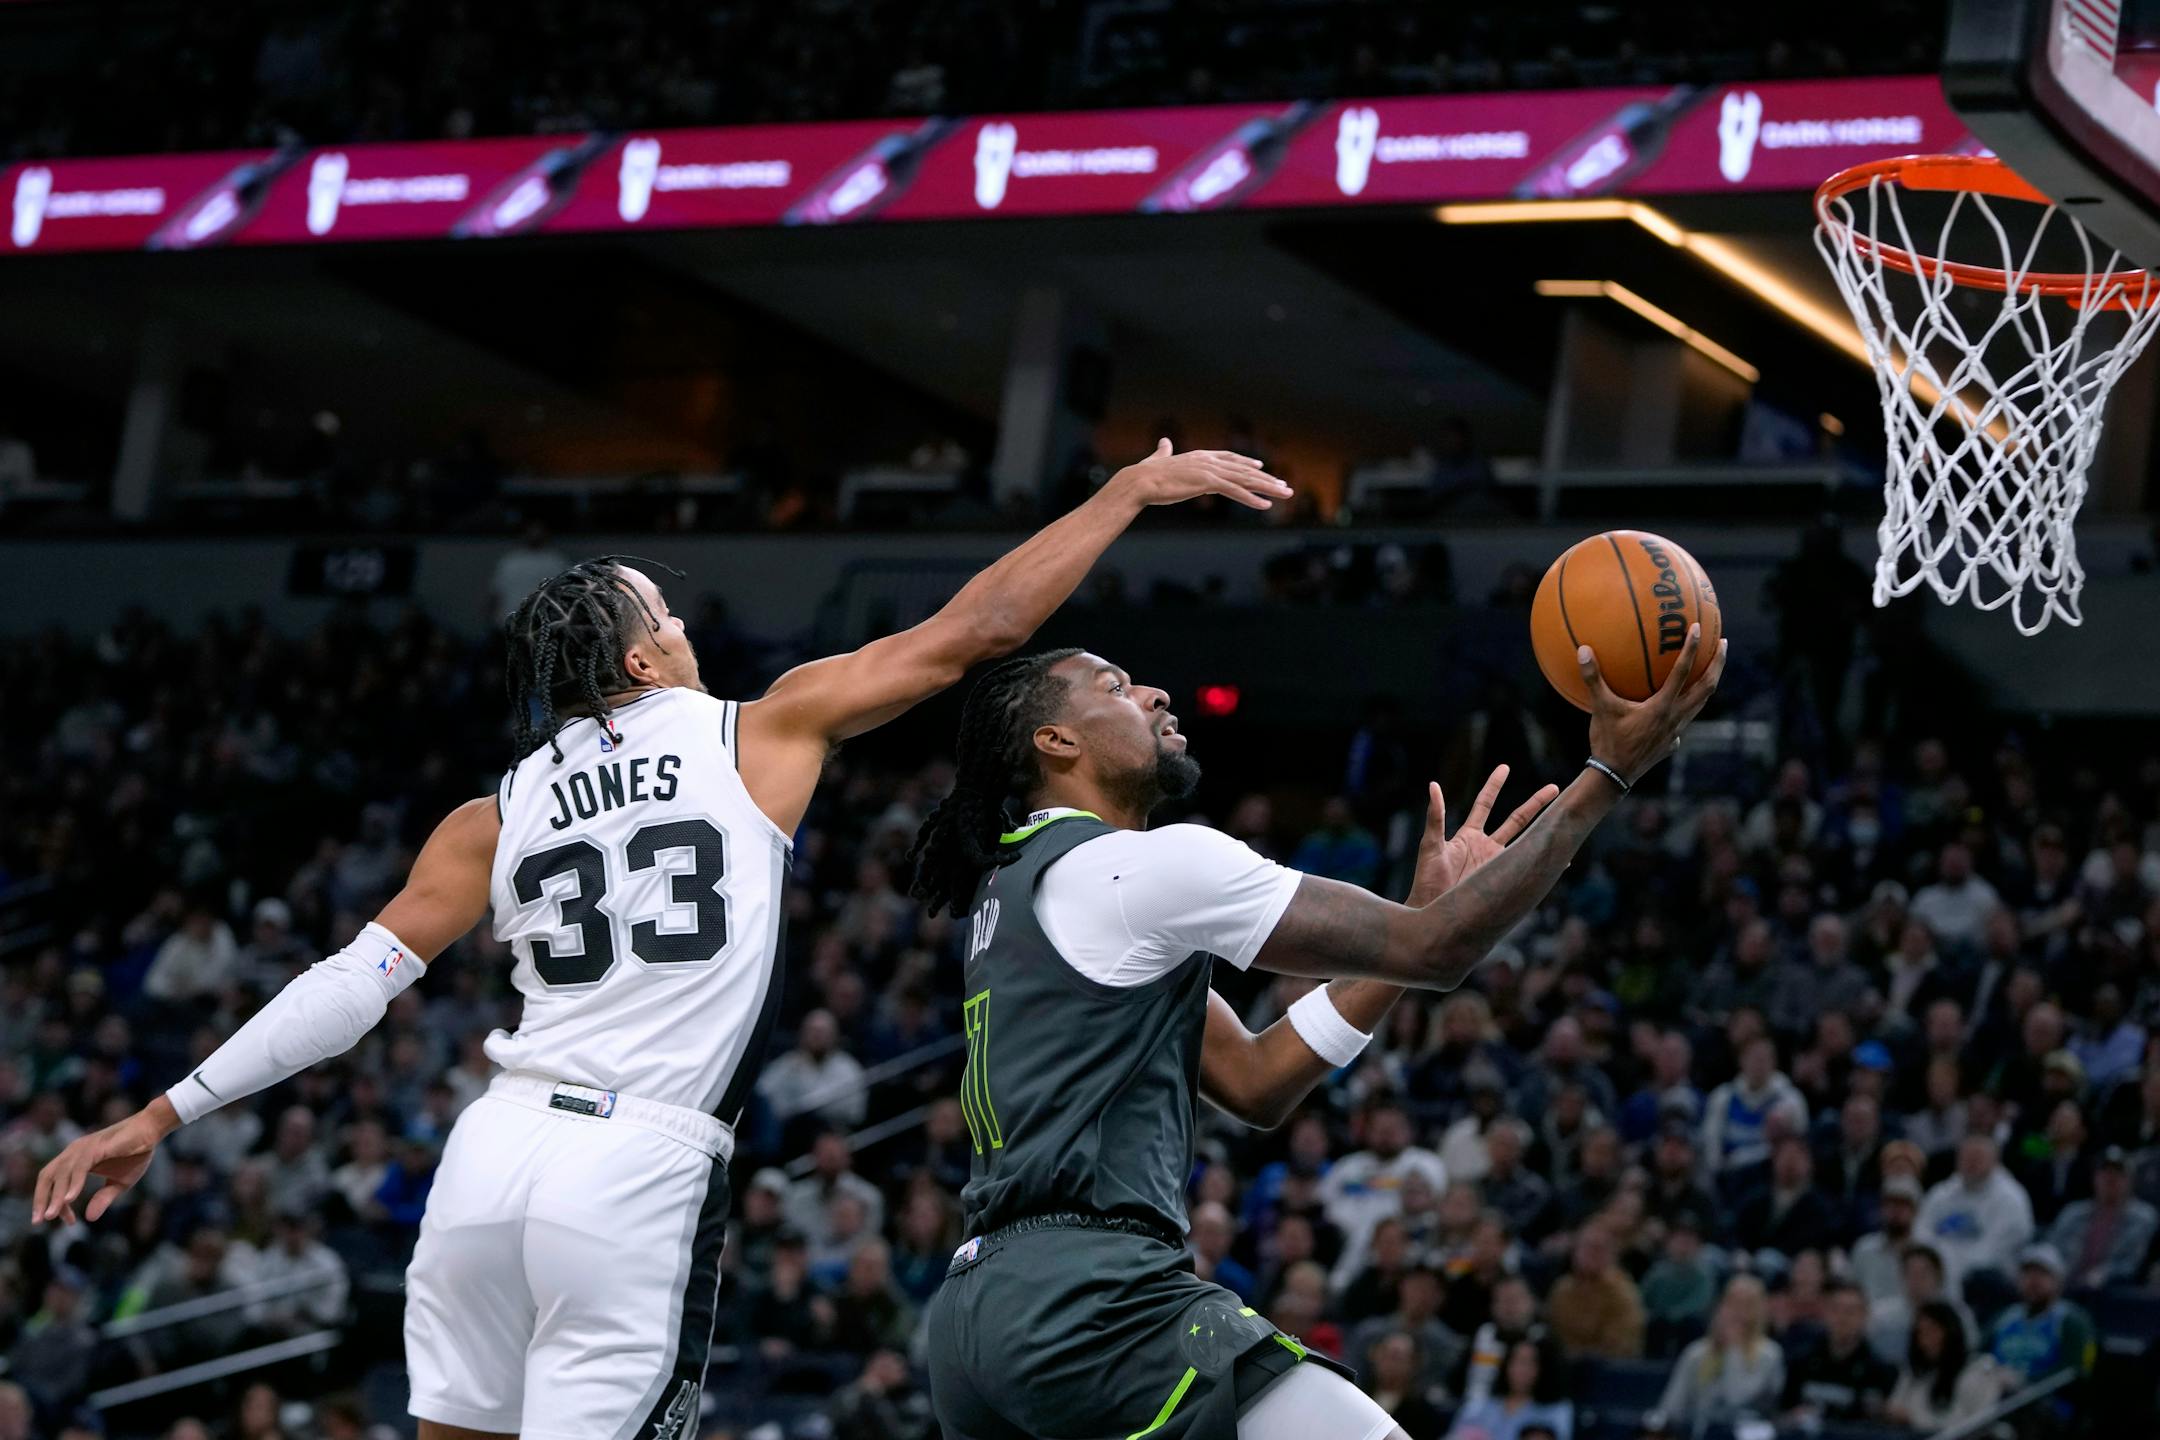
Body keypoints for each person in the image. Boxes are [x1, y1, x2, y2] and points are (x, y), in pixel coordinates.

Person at [33, 442, 1295, 1440]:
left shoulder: (493, 811)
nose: (690, 628)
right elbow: (979, 633)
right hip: (634, 1168)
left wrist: (162, 1115)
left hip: (487, 1157)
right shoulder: (755, 729)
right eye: (669, 617)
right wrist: (1129, 489)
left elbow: (348, 988)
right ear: (645, 656)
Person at [911, 626, 1721, 1439]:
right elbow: (1436, 951)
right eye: (1117, 687)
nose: (1156, 695)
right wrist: (1609, 774)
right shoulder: (1141, 868)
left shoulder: (1017, 890)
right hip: (1087, 1300)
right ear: (1056, 741)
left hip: (976, 1321)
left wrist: (1420, 924)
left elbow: (1258, 1082)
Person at [1653, 1275, 1784, 1438]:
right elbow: (1671, 1407)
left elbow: (1736, 1398)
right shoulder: (1697, 1353)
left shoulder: (1769, 1355)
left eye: (1746, 1305)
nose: (1738, 1312)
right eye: (1732, 1303)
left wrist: (1733, 1350)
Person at [1986, 1245, 2095, 1426]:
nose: (2033, 1281)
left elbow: (2076, 1371)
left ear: (2058, 1280)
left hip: (2047, 1404)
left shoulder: (2071, 1321)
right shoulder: (2005, 1317)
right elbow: (1979, 1354)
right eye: (2027, 1274)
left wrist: (2022, 1381)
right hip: (1994, 1394)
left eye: (2042, 1274)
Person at [1778, 1279, 1894, 1425]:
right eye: (1836, 1309)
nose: (1842, 1318)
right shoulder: (1801, 1363)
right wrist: (1791, 1418)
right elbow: (1781, 1416)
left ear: (1864, 1316)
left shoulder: (1880, 1372)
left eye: (1850, 1311)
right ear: (1825, 1313)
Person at [2047, 1144, 2158, 1288]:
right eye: (2105, 1172)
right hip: (2068, 1289)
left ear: (2130, 1180)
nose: (2110, 1179)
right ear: (2094, 1177)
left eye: (2118, 1173)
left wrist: (2104, 1274)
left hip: (2117, 1295)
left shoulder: (2144, 1218)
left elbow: (2135, 1264)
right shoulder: (2072, 1213)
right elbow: (2052, 1252)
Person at [1886, 1301, 1999, 1431]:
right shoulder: (1915, 1372)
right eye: (1921, 1332)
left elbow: (1976, 1423)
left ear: (1950, 1331)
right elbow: (1894, 1407)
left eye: (1933, 1330)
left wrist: (1915, 1419)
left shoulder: (1977, 1371)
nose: (1926, 1340)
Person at [1546, 1225, 1646, 1360]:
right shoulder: (1562, 1289)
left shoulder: (1623, 1294)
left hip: (1607, 1369)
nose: (1589, 1254)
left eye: (1597, 1249)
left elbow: (1622, 1345)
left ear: (1611, 1255)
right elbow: (1553, 1334)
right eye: (1584, 1247)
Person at [1444, 1338, 1573, 1440]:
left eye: (1529, 1363)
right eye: (1515, 1361)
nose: (1521, 1370)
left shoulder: (1556, 1411)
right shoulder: (1480, 1406)